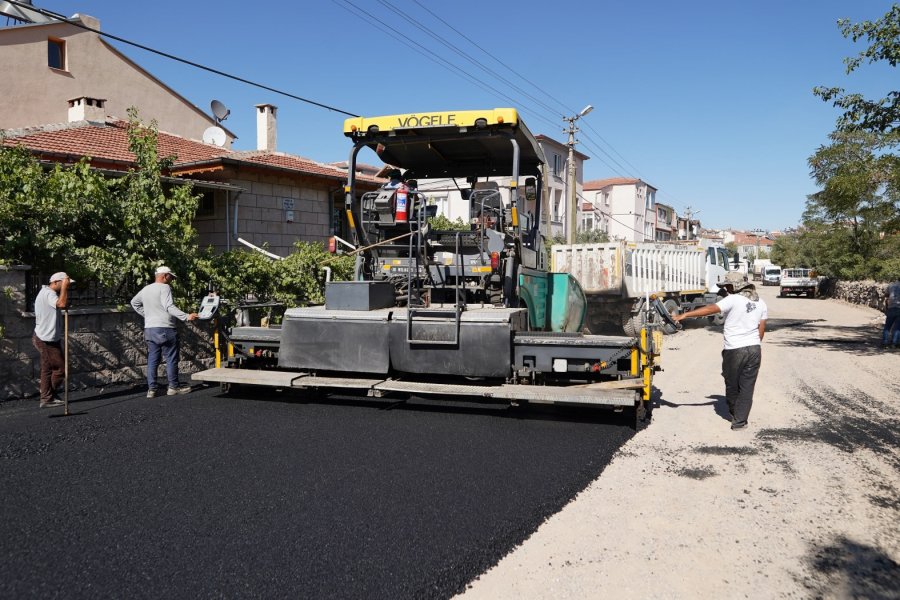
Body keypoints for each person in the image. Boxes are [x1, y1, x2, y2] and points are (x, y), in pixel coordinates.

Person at [672, 271, 768, 430]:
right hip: (755, 349)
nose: (726, 289)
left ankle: (735, 413)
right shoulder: (761, 302)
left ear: (734, 286)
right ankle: (740, 421)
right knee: (747, 387)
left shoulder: (733, 299)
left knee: (732, 385)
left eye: (728, 286)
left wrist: (685, 315)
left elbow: (711, 309)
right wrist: (754, 345)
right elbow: (761, 329)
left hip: (735, 350)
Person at [130, 266, 198, 397]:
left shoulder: (146, 289)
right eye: (171, 276)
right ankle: (173, 387)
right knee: (171, 358)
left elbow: (134, 302)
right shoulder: (165, 287)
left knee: (152, 360)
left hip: (150, 329)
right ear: (164, 276)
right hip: (165, 328)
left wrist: (147, 315)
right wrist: (186, 316)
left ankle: (152, 390)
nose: (172, 279)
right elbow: (169, 306)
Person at [32, 272, 74, 408]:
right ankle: (47, 396)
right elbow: (61, 304)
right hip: (46, 339)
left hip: (45, 337)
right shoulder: (49, 293)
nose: (67, 286)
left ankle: (47, 396)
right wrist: (64, 288)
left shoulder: (47, 293)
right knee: (61, 369)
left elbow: (61, 304)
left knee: (47, 369)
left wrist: (65, 297)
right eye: (65, 283)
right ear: (56, 282)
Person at [882, 279, 900, 348]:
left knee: (887, 326)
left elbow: (886, 296)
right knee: (897, 327)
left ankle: (885, 343)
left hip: (891, 307)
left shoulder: (891, 285)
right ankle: (894, 343)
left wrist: (887, 307)